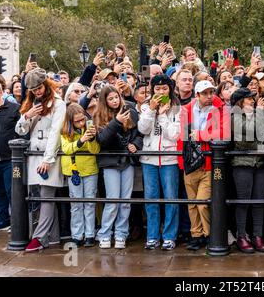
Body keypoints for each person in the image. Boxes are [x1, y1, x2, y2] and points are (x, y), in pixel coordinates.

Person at [16, 68, 67, 252]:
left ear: (45, 84)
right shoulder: (31, 102)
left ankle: (39, 237)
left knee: (47, 197)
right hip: (33, 155)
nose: (37, 91)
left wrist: (48, 159)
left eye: (39, 87)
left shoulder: (58, 103)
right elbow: (20, 131)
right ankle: (51, 237)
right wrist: (27, 116)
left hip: (47, 156)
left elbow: (55, 132)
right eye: (33, 89)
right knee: (38, 196)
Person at [177, 80, 228, 250]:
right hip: (190, 162)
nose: (209, 96)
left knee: (202, 202)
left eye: (211, 92)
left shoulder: (220, 109)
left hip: (208, 162)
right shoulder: (186, 110)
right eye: (205, 93)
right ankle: (196, 234)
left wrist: (199, 134)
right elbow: (182, 137)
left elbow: (222, 133)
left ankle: (209, 234)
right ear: (197, 95)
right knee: (192, 203)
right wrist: (181, 162)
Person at [94, 85, 143, 249]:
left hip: (127, 161)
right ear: (105, 101)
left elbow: (139, 134)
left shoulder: (130, 111)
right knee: (113, 199)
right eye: (110, 98)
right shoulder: (100, 116)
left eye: (116, 97)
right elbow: (102, 140)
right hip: (110, 162)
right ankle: (105, 233)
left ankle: (121, 233)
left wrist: (135, 144)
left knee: (125, 201)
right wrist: (116, 122)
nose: (115, 101)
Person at [138, 75, 181, 250]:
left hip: (169, 158)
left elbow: (174, 135)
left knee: (171, 198)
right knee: (151, 199)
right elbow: (143, 129)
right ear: (152, 89)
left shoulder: (178, 108)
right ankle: (152, 236)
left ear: (170, 89)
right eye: (157, 89)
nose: (161, 92)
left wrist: (163, 115)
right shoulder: (145, 106)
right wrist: (151, 110)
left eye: (164, 88)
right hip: (149, 158)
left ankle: (169, 236)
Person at [230, 88, 264, 253]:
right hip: (242, 163)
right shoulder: (234, 117)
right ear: (240, 101)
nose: (253, 101)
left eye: (253, 98)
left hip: (260, 164)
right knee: (243, 202)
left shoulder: (260, 114)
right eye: (248, 99)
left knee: (258, 201)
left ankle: (257, 235)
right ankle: (241, 236)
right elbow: (246, 137)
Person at [61, 103, 100, 247]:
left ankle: (90, 234)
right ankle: (77, 235)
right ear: (70, 121)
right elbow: (66, 149)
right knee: (76, 204)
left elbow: (95, 150)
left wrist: (91, 139)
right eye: (77, 121)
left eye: (82, 119)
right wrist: (80, 140)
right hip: (74, 170)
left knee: (90, 202)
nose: (81, 123)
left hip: (90, 169)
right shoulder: (64, 131)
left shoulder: (89, 128)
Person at [0, 82, 20, 231]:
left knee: (12, 192)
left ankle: (17, 222)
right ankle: (3, 220)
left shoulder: (13, 109)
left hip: (10, 159)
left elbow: (21, 131)